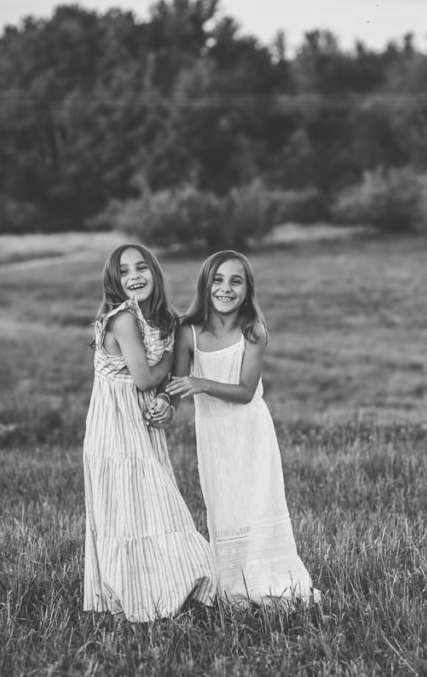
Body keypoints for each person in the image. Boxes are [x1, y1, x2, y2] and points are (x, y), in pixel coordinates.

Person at [164, 250, 318, 606]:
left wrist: (201, 383)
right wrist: (164, 407)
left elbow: (246, 392)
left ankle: (271, 581)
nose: (225, 288)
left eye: (236, 281)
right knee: (225, 508)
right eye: (217, 280)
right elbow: (177, 387)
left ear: (248, 290)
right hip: (214, 435)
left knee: (257, 505)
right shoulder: (188, 332)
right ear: (205, 285)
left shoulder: (253, 331)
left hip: (251, 432)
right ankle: (233, 584)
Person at [82, 243, 216, 622]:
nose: (134, 277)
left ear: (155, 274)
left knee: (148, 509)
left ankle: (158, 587)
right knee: (132, 511)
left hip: (140, 424)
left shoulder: (161, 321)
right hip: (115, 431)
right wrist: (172, 361)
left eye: (141, 268)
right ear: (114, 282)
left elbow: (161, 390)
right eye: (124, 272)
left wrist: (165, 405)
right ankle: (135, 593)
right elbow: (144, 377)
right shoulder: (123, 319)